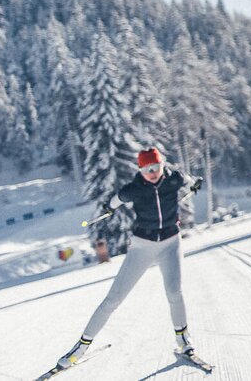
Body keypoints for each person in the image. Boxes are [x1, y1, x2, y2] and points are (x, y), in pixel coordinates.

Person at [55, 147, 202, 370]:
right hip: (143, 246)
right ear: (140, 170)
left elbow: (189, 180)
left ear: (162, 165)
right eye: (146, 169)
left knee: (174, 292)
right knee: (114, 298)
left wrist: (195, 184)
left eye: (155, 167)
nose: (152, 173)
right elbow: (116, 200)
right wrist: (108, 208)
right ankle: (81, 346)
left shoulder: (174, 179)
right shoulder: (135, 189)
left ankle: (183, 340)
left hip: (171, 242)